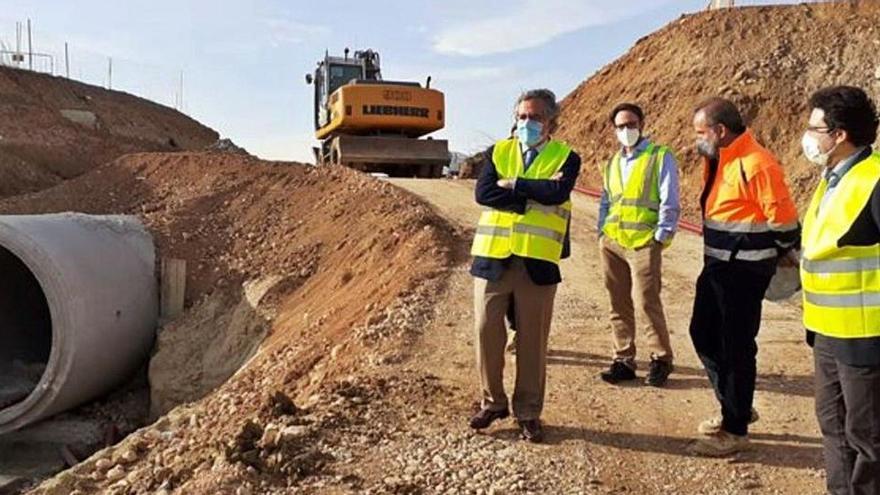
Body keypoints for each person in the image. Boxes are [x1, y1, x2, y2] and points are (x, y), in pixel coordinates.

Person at [687, 97, 800, 456]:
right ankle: (735, 405)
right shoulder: (721, 158)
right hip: (719, 266)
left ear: (720, 131)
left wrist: (776, 257)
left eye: (701, 132)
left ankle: (735, 429)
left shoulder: (757, 163)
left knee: (734, 345)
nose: (696, 139)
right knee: (702, 333)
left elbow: (784, 223)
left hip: (743, 270)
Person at [469, 88, 581, 443]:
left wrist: (514, 185)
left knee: (533, 341)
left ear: (551, 122)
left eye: (534, 117)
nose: (526, 123)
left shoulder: (567, 157)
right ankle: (493, 402)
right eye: (521, 117)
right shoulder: (498, 151)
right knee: (487, 331)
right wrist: (531, 195)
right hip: (493, 258)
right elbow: (484, 193)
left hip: (537, 263)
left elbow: (557, 194)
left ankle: (529, 412)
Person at [799, 86, 880, 494]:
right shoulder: (832, 179)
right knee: (833, 427)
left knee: (868, 436)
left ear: (840, 134)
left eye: (815, 129)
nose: (808, 137)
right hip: (827, 330)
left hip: (865, 337)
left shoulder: (874, 179)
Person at [597, 103, 680, 387]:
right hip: (613, 241)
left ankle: (661, 359)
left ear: (642, 124)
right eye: (621, 126)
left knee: (646, 301)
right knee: (617, 302)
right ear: (614, 130)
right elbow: (607, 200)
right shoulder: (612, 163)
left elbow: (670, 198)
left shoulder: (659, 156)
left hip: (644, 241)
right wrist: (601, 233)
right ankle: (623, 359)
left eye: (631, 124)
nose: (626, 130)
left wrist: (662, 235)